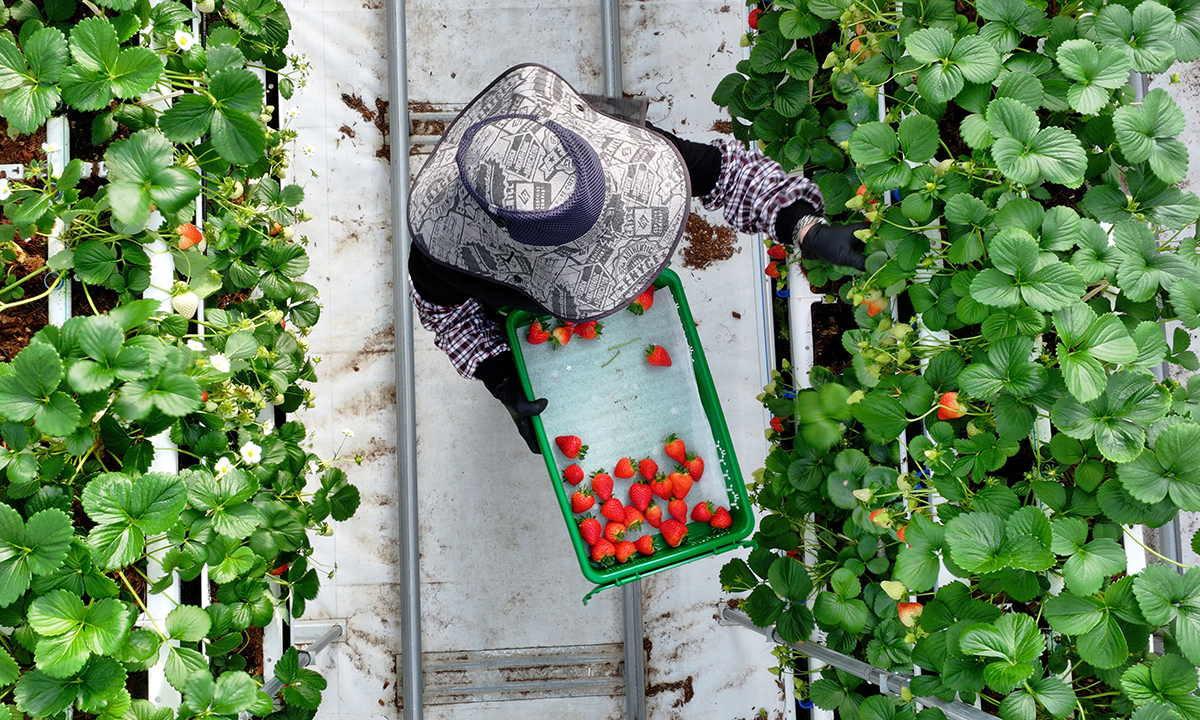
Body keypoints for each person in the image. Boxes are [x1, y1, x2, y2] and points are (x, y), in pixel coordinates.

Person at [407, 64, 866, 453]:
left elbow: (725, 172)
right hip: (520, 313)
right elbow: (446, 314)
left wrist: (804, 228)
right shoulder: (449, 247)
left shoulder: (617, 150)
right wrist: (500, 374)